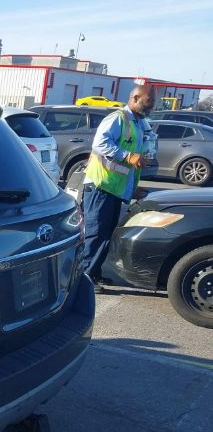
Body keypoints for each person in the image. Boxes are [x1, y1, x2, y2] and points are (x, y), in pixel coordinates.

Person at [80, 84, 156, 293]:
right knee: (96, 234)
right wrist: (128, 155)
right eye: (149, 102)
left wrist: (132, 189)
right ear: (135, 98)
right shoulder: (117, 119)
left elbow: (130, 166)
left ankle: (93, 273)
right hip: (100, 185)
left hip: (114, 188)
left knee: (105, 235)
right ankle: (84, 277)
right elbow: (100, 144)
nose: (152, 107)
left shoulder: (139, 124)